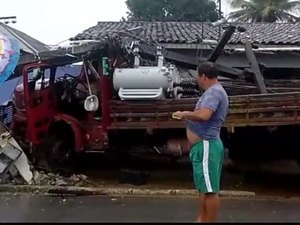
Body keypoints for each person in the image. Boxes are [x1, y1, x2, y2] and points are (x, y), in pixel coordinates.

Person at [173, 61, 229, 223]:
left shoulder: (213, 92)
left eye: (198, 77)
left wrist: (184, 114)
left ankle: (208, 220)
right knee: (204, 189)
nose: (197, 80)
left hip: (207, 144)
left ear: (203, 76)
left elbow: (204, 115)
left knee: (210, 190)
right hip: (203, 145)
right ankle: (202, 219)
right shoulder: (214, 91)